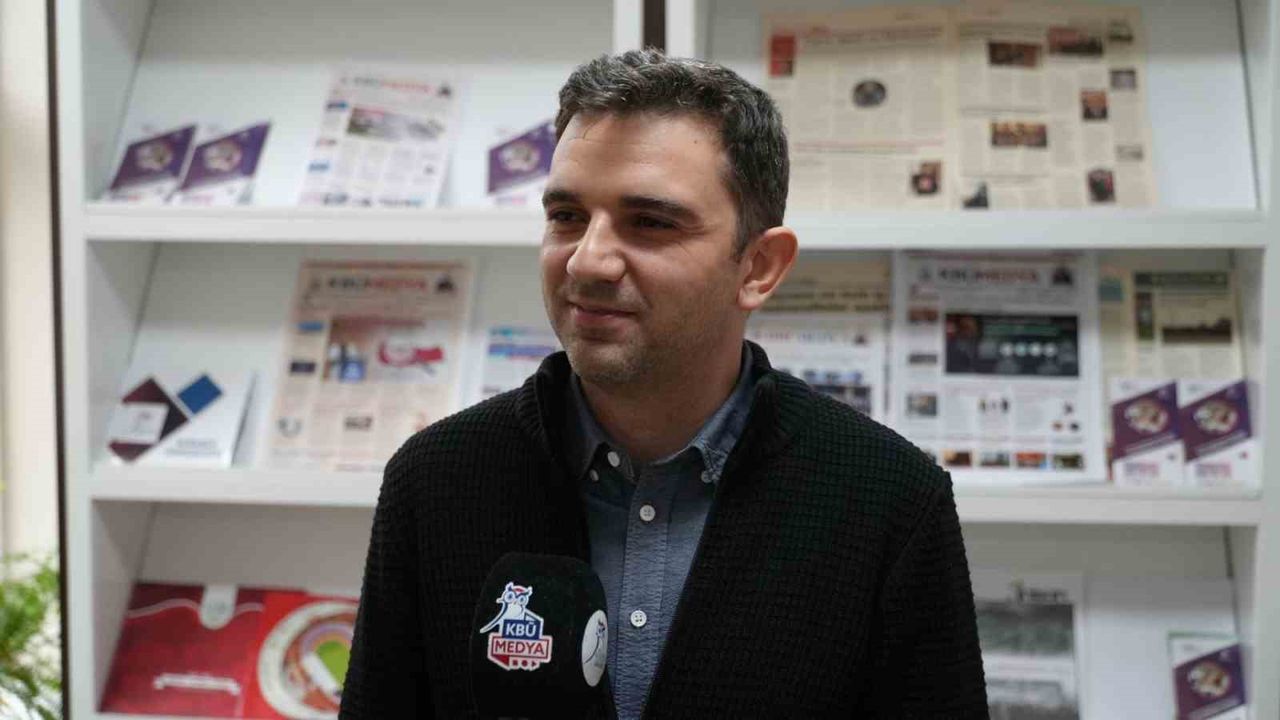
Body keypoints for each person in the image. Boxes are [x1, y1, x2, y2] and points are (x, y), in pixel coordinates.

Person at [341, 49, 987, 718]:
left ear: (759, 267)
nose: (588, 261)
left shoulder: (890, 502)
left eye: (649, 223)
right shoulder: (435, 481)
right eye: (566, 216)